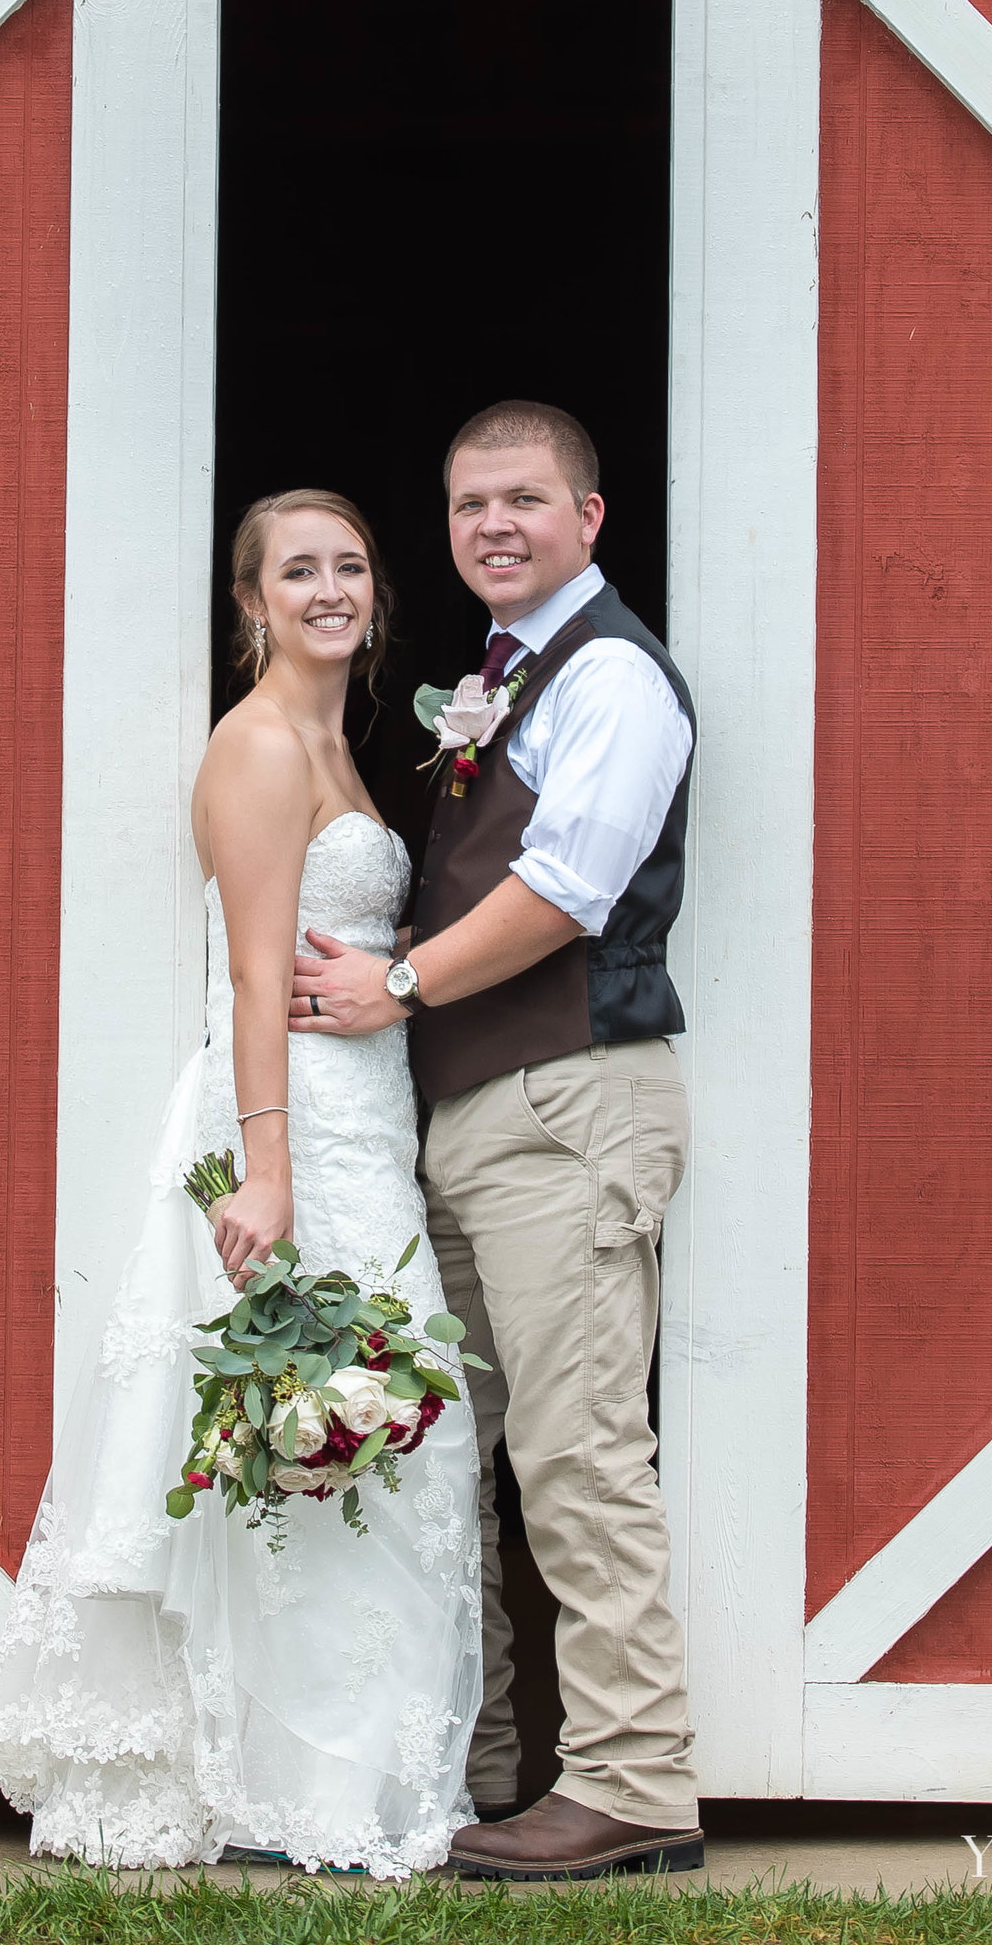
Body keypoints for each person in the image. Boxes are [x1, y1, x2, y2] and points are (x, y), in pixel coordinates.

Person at [0, 490, 482, 1879]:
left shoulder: (334, 737)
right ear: (250, 601)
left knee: (370, 1437)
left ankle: (339, 1774)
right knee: (311, 1434)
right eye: (298, 570)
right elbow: (256, 974)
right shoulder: (258, 747)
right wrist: (267, 1173)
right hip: (299, 1130)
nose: (330, 588)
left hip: (360, 1118)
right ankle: (279, 1779)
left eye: (351, 566)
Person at [290, 402, 703, 1882]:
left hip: (573, 1100)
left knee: (579, 1449)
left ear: (592, 517)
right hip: (474, 1112)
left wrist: (394, 983)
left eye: (526, 499)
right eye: (471, 506)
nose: (495, 527)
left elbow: (566, 894)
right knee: (453, 1451)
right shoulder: (502, 675)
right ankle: (488, 1764)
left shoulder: (614, 681)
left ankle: (637, 1780)